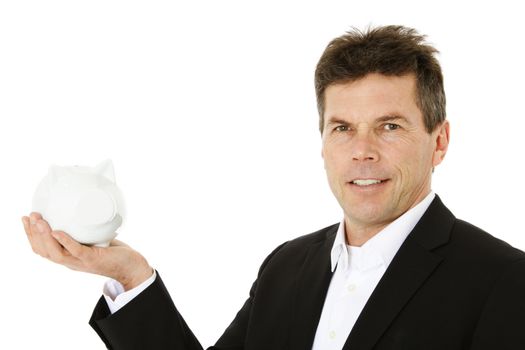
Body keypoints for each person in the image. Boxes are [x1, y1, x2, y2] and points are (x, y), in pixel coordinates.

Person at [22, 25, 525, 350]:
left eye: (390, 126)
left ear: (439, 142)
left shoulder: (503, 280)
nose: (362, 151)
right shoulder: (286, 267)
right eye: (342, 127)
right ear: (323, 141)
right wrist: (132, 276)